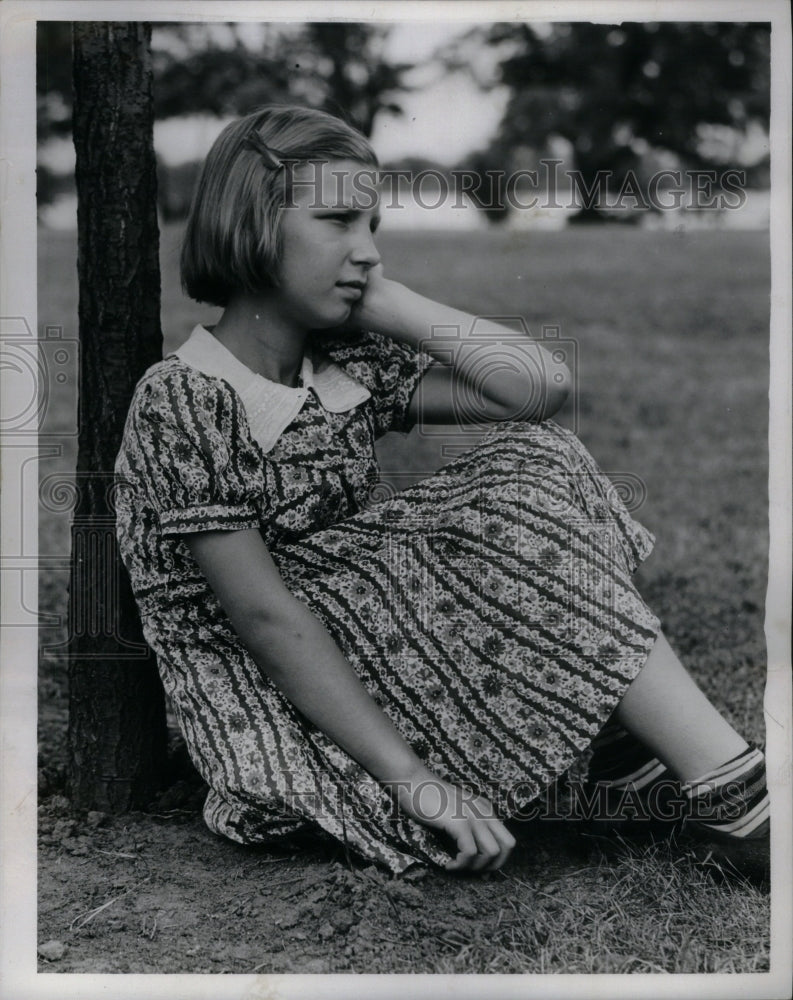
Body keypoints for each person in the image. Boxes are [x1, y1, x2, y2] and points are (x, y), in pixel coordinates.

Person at [114, 105, 769, 880]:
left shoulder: (341, 363)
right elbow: (265, 617)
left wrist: (386, 301)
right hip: (285, 704)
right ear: (251, 225)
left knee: (537, 459)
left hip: (366, 648)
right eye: (335, 221)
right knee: (504, 508)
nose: (365, 251)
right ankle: (734, 801)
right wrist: (413, 782)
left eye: (373, 225)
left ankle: (642, 763)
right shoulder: (185, 397)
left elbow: (536, 390)